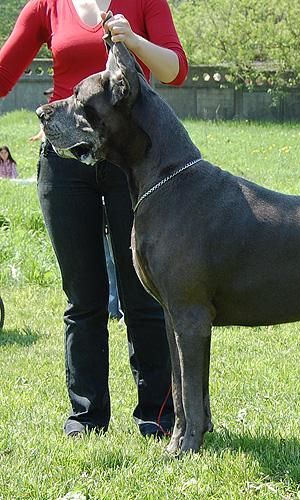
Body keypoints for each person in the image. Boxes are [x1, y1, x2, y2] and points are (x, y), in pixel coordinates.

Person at [0, 0, 189, 438]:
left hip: (130, 164)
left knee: (142, 295)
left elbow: (174, 70)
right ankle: (86, 417)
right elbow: (4, 74)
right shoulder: (45, 6)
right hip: (65, 163)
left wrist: (133, 40)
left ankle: (158, 416)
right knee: (82, 298)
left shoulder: (144, 2)